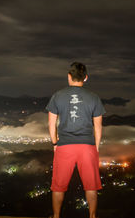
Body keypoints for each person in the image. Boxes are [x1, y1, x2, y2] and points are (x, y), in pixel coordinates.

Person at [46, 62, 106, 218]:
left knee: (58, 186)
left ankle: (56, 216)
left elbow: (52, 124)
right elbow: (98, 127)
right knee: (91, 186)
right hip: (88, 146)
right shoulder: (94, 97)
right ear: (85, 78)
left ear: (69, 77)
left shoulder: (57, 96)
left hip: (65, 146)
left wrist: (54, 143)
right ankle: (92, 216)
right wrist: (96, 147)